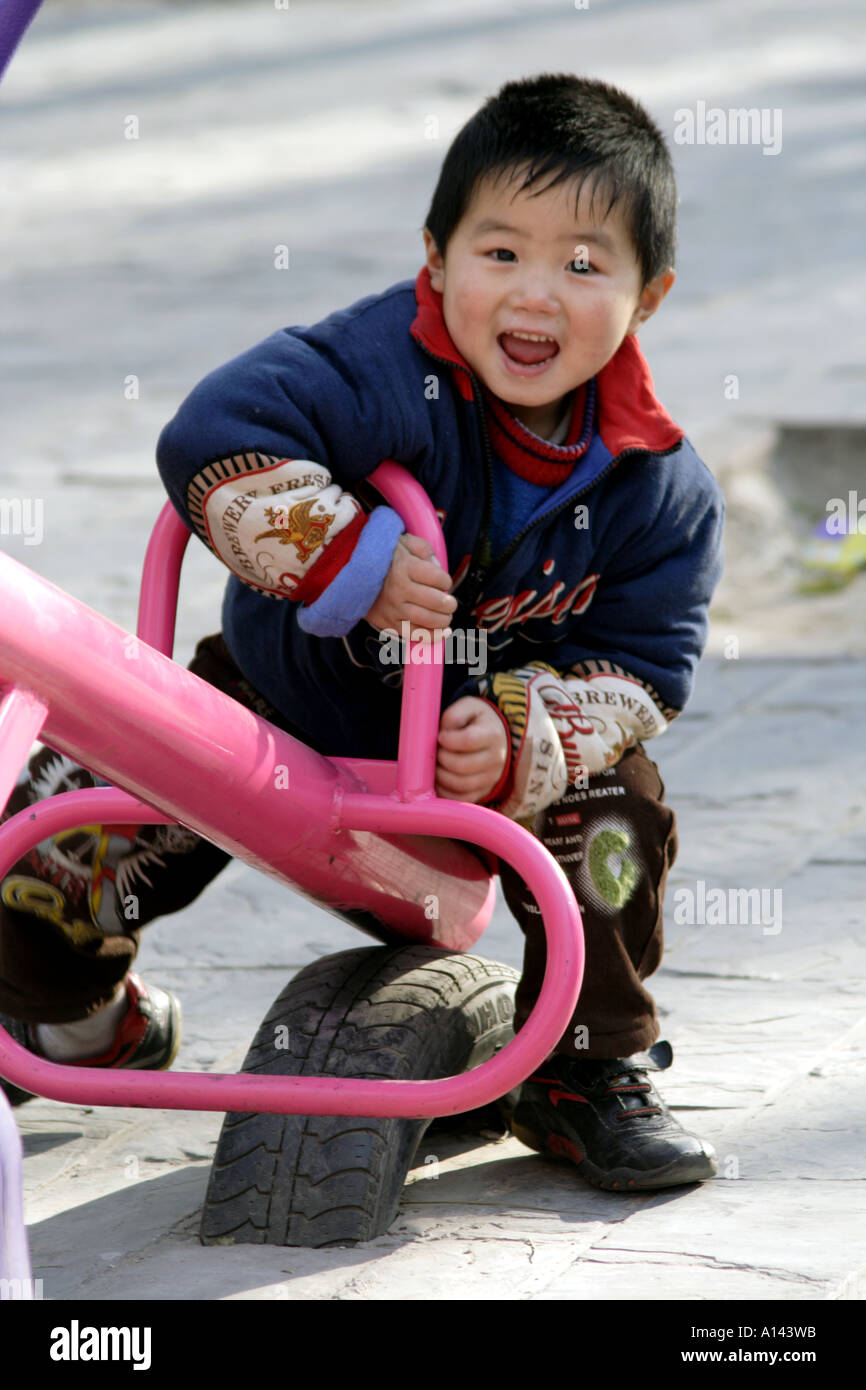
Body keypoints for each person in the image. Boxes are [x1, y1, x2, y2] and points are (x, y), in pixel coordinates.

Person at [0, 74, 724, 1192]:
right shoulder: (380, 362)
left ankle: (585, 1070)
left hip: (480, 755)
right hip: (291, 686)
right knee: (76, 812)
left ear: (650, 295)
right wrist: (354, 557)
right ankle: (57, 1010)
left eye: (583, 266)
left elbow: (649, 665)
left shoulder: (656, 485)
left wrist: (530, 731)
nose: (535, 295)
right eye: (499, 254)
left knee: (620, 816)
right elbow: (213, 430)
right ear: (434, 257)